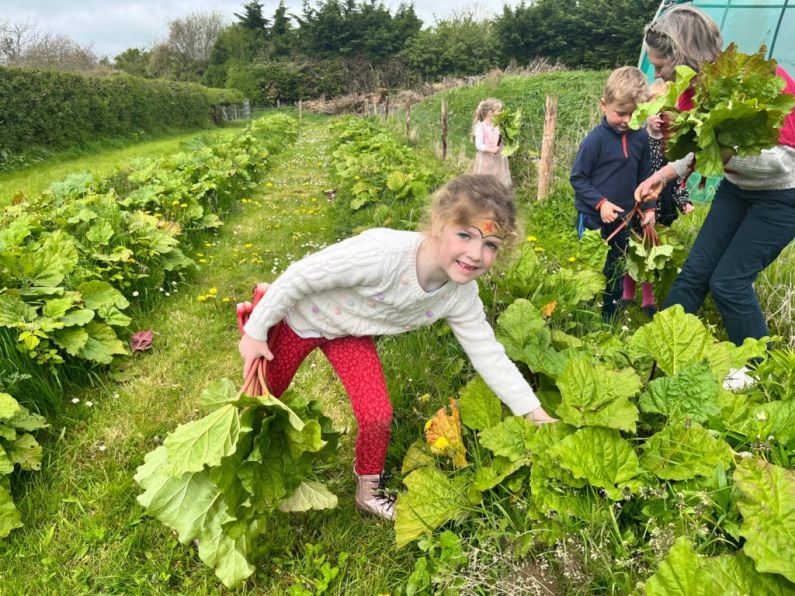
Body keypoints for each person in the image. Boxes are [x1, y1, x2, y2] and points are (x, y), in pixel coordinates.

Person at [238, 174, 556, 521]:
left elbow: (489, 354)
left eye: (491, 244)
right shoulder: (382, 255)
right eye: (465, 235)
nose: (476, 254)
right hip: (300, 321)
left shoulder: (459, 294)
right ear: (439, 225)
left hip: (351, 333)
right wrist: (256, 332)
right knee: (261, 404)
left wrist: (533, 411)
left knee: (377, 416)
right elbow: (300, 276)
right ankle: (230, 480)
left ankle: (368, 493)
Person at [636, 5, 795, 389]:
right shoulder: (694, 90)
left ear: (684, 55)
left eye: (661, 66)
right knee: (694, 274)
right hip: (738, 189)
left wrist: (727, 154)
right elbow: (698, 143)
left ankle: (762, 370)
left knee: (729, 282)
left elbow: (784, 163)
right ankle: (659, 354)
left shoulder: (759, 82)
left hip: (783, 196)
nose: (657, 73)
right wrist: (665, 172)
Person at [570, 66, 655, 321]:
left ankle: (610, 317)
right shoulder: (594, 141)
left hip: (625, 218)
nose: (627, 120)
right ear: (603, 105)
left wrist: (648, 209)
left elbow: (646, 178)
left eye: (634, 113)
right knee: (590, 267)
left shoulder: (641, 139)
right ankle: (581, 314)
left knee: (617, 266)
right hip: (595, 218)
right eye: (620, 113)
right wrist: (601, 204)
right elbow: (578, 178)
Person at [623, 81, 695, 317]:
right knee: (632, 250)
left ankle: (648, 300)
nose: (659, 118)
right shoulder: (639, 140)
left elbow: (677, 178)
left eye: (664, 113)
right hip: (638, 205)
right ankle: (626, 294)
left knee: (653, 252)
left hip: (661, 207)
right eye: (654, 113)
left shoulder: (671, 146)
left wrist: (683, 200)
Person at [471, 98, 512, 187]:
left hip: (498, 158)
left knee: (499, 179)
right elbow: (478, 145)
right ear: (490, 113)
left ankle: (498, 195)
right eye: (499, 111)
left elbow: (501, 138)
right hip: (486, 159)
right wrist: (490, 149)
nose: (501, 113)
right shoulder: (480, 127)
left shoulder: (499, 125)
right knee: (485, 180)